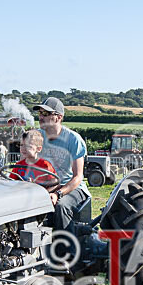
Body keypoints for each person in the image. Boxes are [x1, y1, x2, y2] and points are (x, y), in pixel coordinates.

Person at [32, 96, 90, 232]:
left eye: (45, 113)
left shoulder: (73, 139)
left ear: (58, 117)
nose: (41, 117)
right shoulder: (37, 137)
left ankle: (67, 251)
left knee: (61, 206)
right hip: (47, 186)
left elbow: (77, 177)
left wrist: (58, 194)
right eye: (40, 113)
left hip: (72, 188)